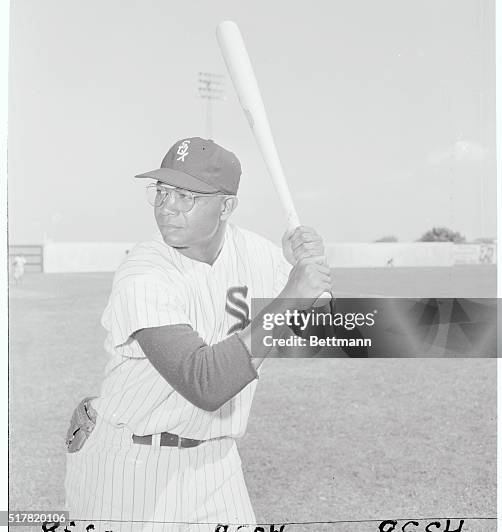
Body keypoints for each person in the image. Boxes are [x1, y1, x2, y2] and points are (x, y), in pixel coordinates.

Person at [64, 137, 331, 532]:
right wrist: (291, 296)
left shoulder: (256, 255)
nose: (167, 206)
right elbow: (205, 382)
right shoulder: (143, 272)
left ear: (226, 206)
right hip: (133, 467)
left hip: (218, 468)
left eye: (186, 195)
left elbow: (322, 325)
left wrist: (308, 270)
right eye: (161, 191)